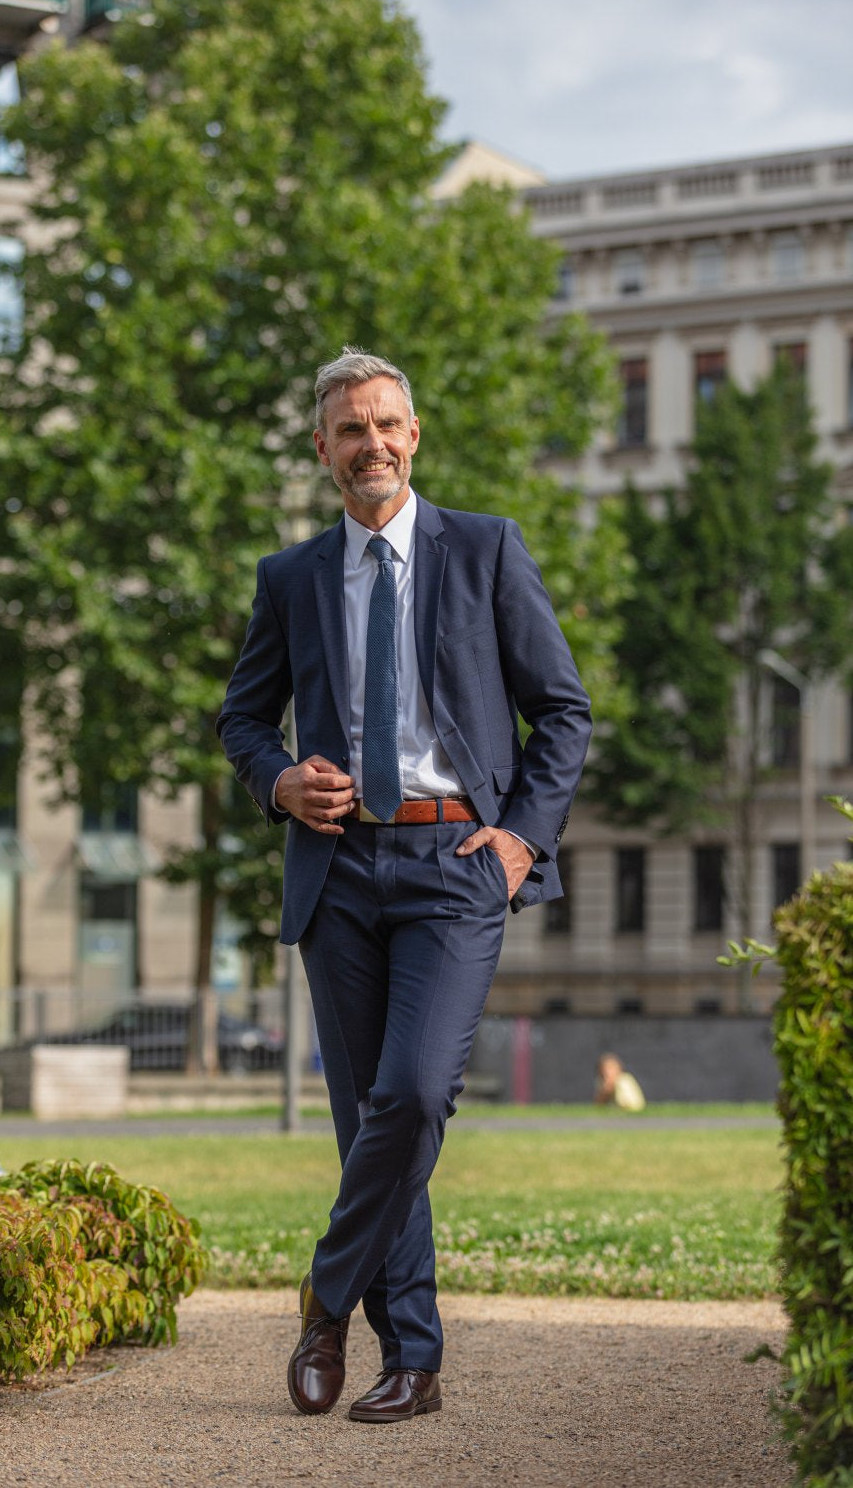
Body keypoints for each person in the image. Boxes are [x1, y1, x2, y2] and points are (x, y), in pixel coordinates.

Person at [217, 347, 592, 1423]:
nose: (370, 444)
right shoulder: (289, 578)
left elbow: (561, 711)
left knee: (417, 1092)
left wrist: (521, 838)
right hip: (338, 871)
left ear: (413, 436)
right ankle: (412, 1359)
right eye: (349, 429)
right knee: (370, 1119)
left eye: (387, 425)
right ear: (323, 448)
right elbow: (242, 717)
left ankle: (325, 1300)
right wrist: (279, 779)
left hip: (454, 863)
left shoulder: (484, 550)